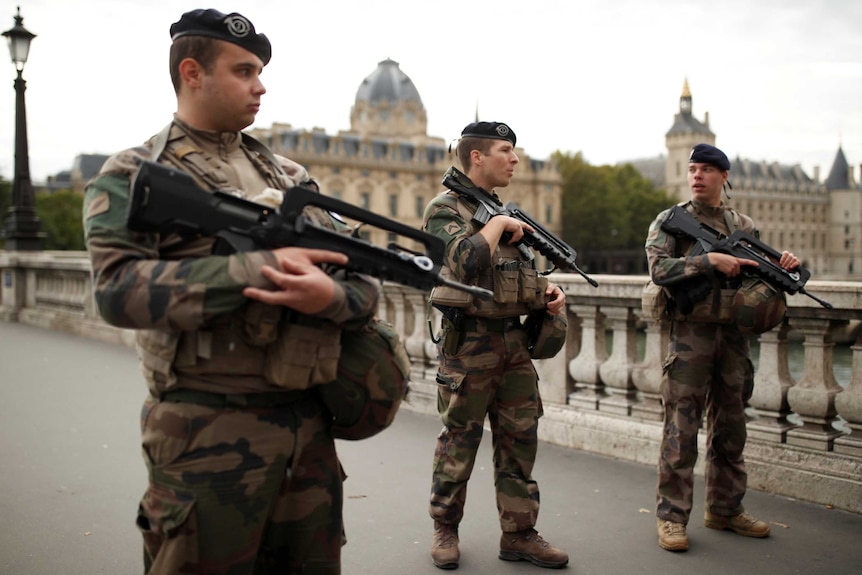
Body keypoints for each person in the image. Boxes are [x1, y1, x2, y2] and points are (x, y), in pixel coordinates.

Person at [82, 9, 381, 574]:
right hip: (202, 431)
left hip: (306, 428)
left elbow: (364, 280)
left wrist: (331, 298)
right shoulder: (132, 173)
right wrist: (254, 271)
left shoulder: (291, 179)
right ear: (192, 73)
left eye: (260, 72)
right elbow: (116, 292)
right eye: (244, 71)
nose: (261, 85)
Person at [423, 121, 569, 570]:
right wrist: (499, 225)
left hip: (513, 347)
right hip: (468, 348)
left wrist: (546, 295)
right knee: (459, 443)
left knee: (519, 444)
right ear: (476, 157)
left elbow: (513, 277)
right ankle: (445, 528)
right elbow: (462, 261)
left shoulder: (502, 212)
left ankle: (520, 533)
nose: (515, 159)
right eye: (506, 150)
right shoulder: (444, 209)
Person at [645, 143, 800, 552]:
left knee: (731, 427)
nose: (697, 176)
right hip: (691, 334)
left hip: (732, 336)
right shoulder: (671, 220)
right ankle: (672, 518)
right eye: (693, 169)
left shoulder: (743, 224)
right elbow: (659, 269)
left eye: (706, 170)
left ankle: (725, 509)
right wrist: (708, 262)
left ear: (723, 177)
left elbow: (758, 282)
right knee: (681, 428)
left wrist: (779, 266)